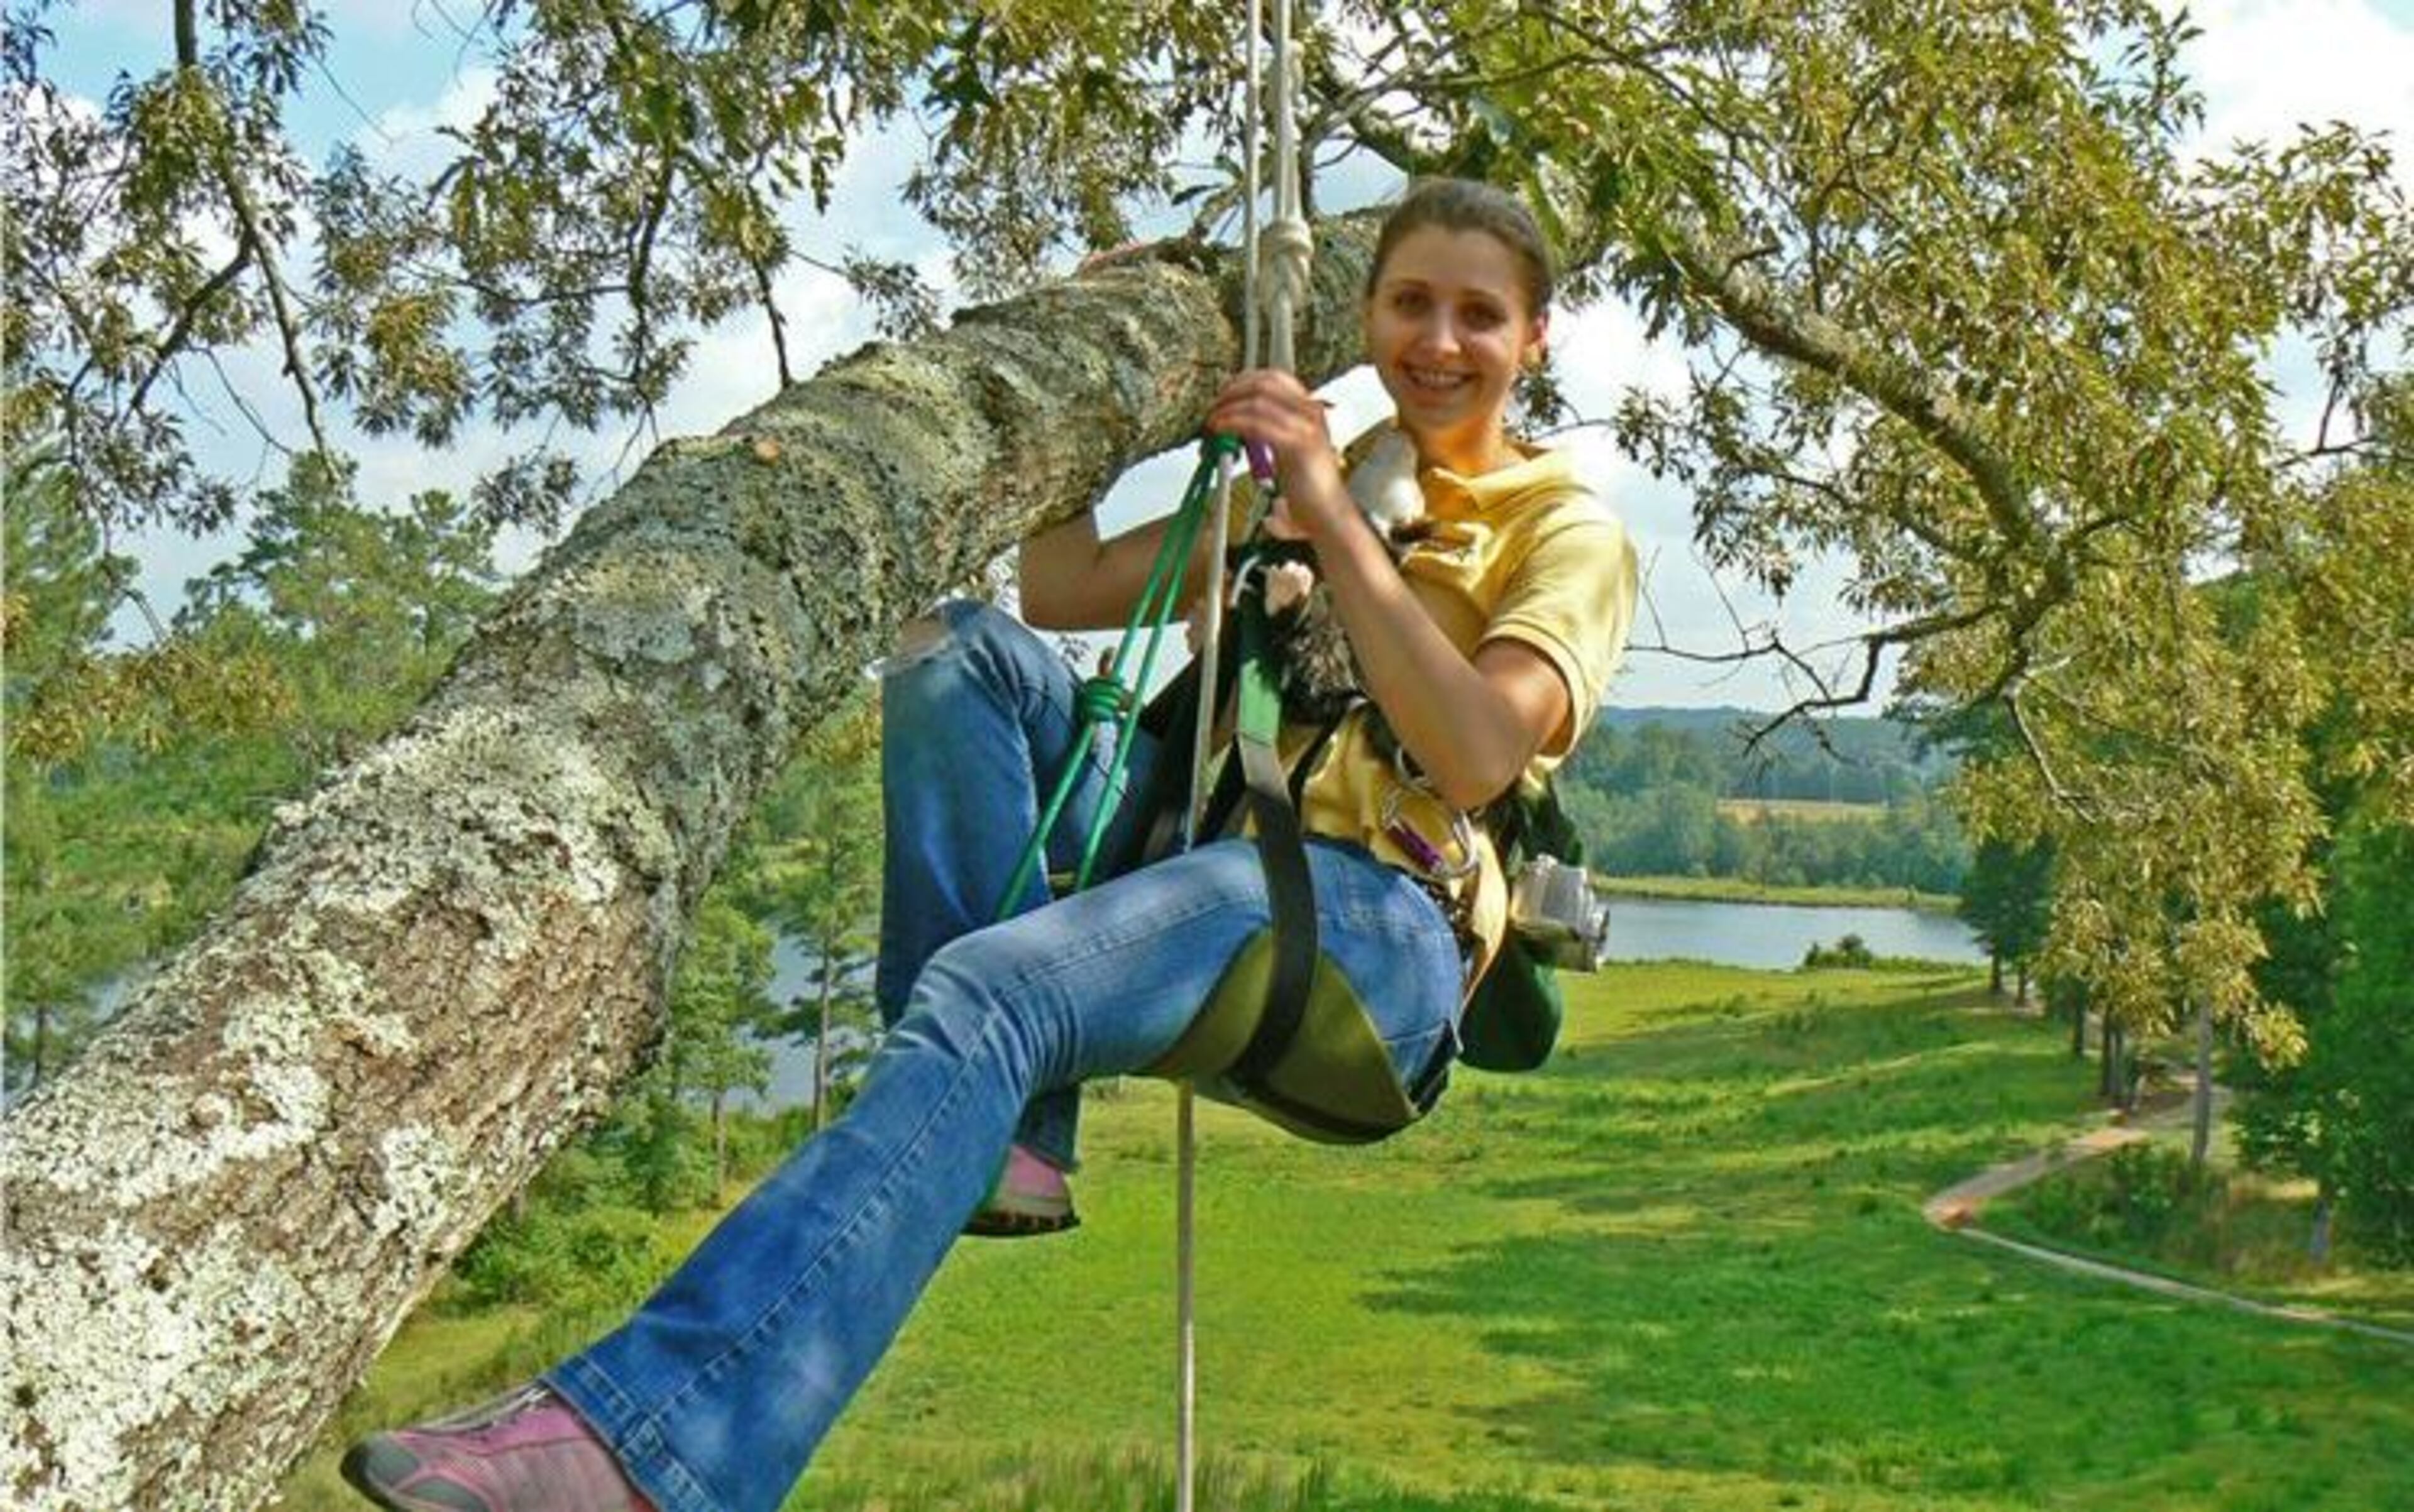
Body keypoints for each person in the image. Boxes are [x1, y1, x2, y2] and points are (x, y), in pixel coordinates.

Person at [343, 177, 1639, 1512]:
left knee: (990, 988)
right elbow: (1057, 586)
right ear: (1364, 315)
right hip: (1205, 865)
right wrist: (1099, 367)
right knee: (952, 652)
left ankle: (655, 1457)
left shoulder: (1561, 529)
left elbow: (1485, 745)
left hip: (1377, 929)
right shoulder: (1312, 492)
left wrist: (1328, 506)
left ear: (1532, 339)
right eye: (1411, 302)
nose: (1439, 340)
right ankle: (1011, 1130)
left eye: (1480, 315)